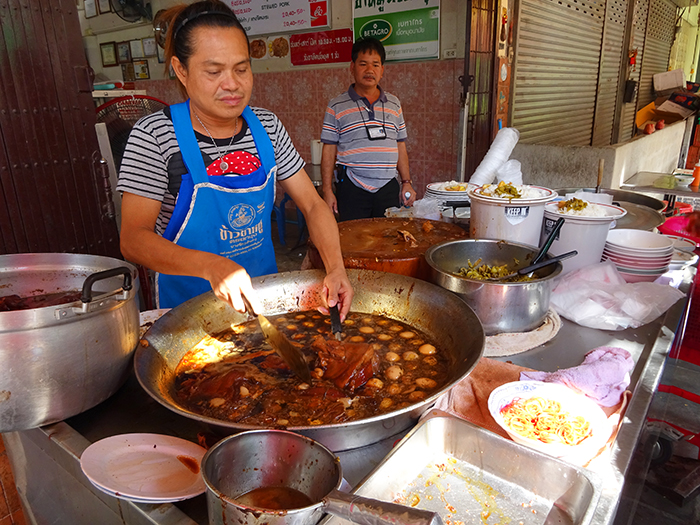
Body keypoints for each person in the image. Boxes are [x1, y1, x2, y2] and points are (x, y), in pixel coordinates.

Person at [116, 0, 352, 318]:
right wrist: (211, 267)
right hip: (185, 312)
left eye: (241, 69)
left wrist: (335, 267)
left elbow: (312, 204)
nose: (232, 84)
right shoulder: (154, 134)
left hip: (263, 301)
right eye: (214, 71)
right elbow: (133, 239)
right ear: (181, 70)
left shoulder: (267, 127)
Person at [320, 37, 416, 222]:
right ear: (352, 67)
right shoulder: (336, 106)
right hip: (352, 187)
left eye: (375, 65)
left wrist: (406, 183)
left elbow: (400, 145)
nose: (369, 70)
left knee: (388, 240)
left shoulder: (394, 103)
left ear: (382, 70)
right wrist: (327, 191)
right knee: (354, 241)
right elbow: (329, 148)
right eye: (363, 64)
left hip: (388, 187)